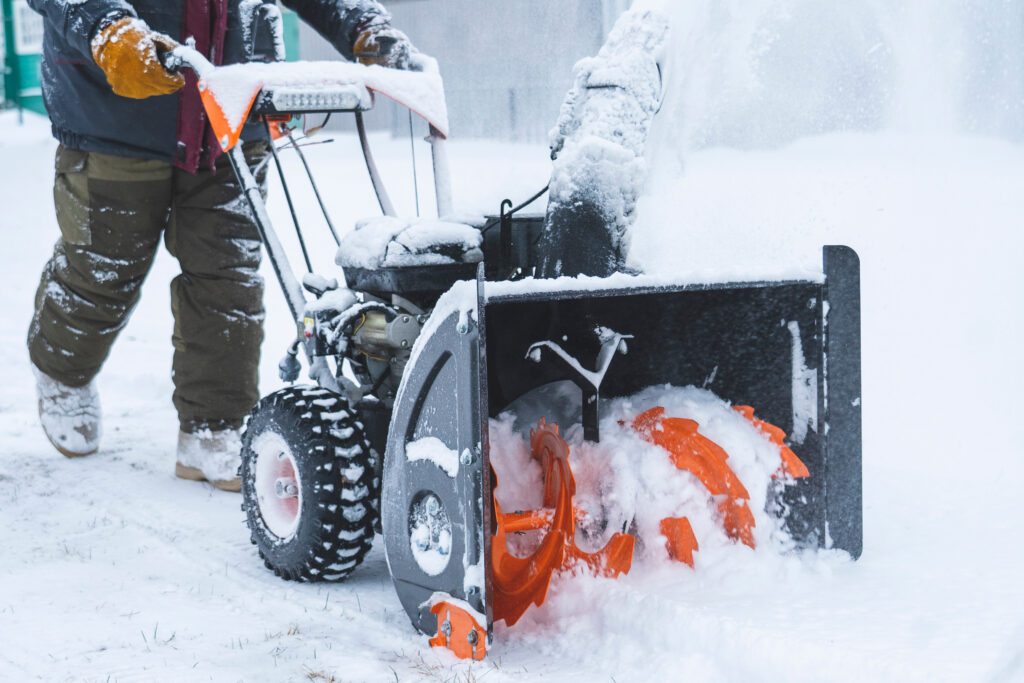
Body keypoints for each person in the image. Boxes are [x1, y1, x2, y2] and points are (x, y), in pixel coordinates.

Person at [25, 0, 417, 491]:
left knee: (228, 276)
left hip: (233, 101)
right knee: (105, 268)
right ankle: (63, 368)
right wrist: (105, 26)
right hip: (115, 105)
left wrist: (360, 23)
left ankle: (214, 426)